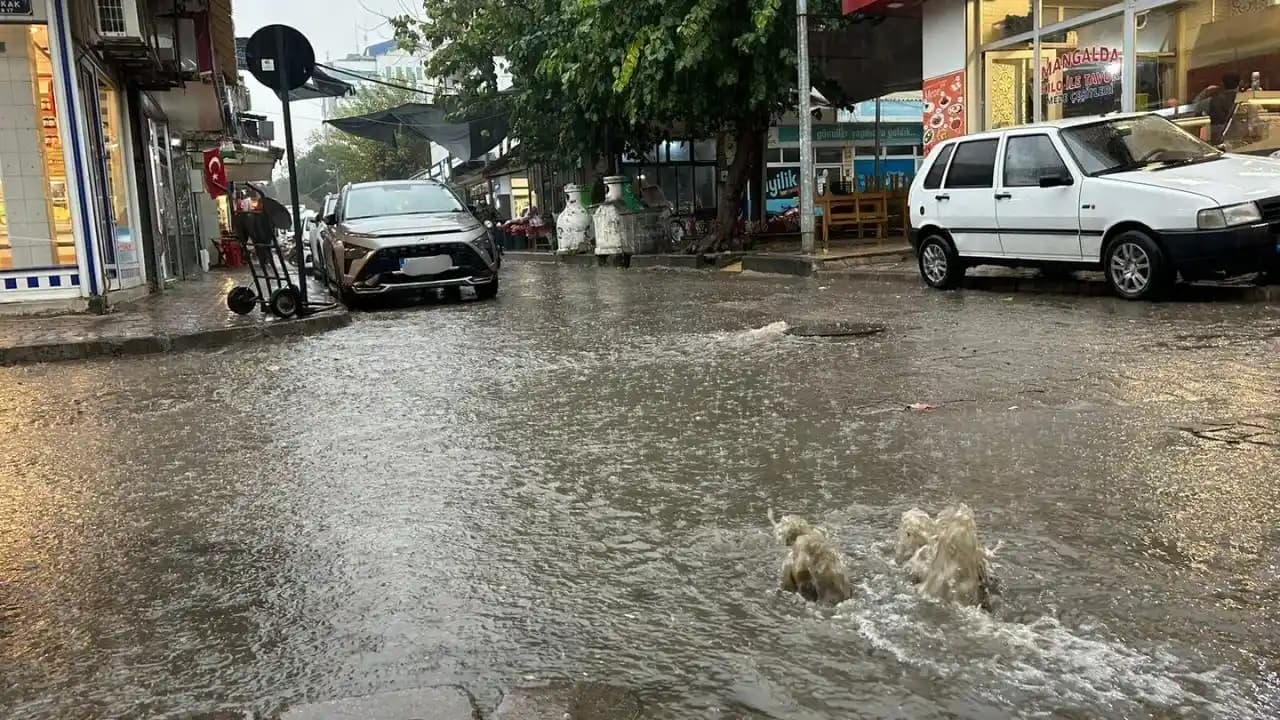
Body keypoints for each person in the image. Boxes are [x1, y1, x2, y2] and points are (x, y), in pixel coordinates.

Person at [1194, 72, 1242, 145]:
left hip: (1216, 138)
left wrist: (1205, 91)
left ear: (1222, 84)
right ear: (1240, 83)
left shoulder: (1212, 100)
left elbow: (1195, 106)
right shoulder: (1244, 99)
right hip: (1238, 138)